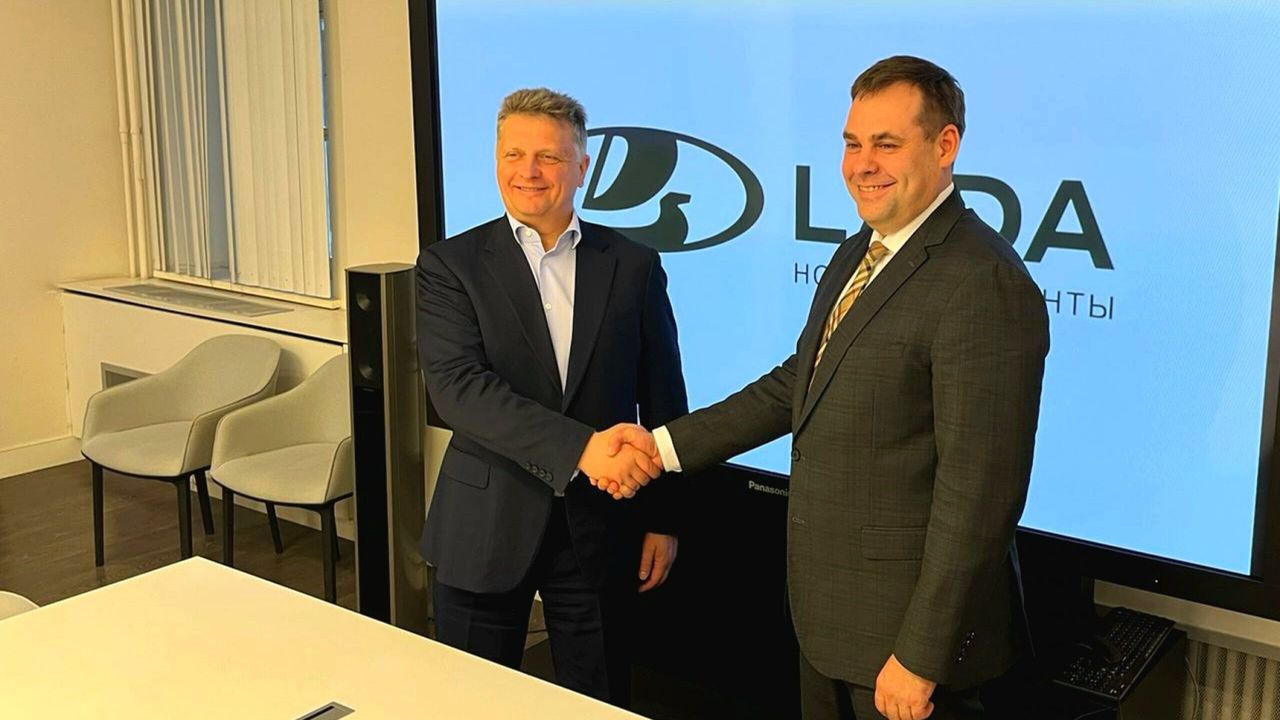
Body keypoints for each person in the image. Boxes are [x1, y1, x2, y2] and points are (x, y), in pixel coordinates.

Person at [599, 56, 1049, 719]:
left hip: (906, 653)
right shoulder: (859, 251)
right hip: (831, 624)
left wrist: (921, 656)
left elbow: (980, 496)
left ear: (945, 145)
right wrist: (660, 447)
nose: (862, 164)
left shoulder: (982, 280)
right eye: (852, 143)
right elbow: (797, 385)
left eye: (886, 144)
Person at [415, 87, 687, 707]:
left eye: (549, 156)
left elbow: (664, 397)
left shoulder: (634, 265)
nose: (528, 171)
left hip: (600, 527)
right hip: (485, 524)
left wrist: (665, 518)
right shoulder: (450, 266)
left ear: (583, 166)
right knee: (470, 703)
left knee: (598, 700)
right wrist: (583, 449)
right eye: (513, 154)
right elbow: (459, 391)